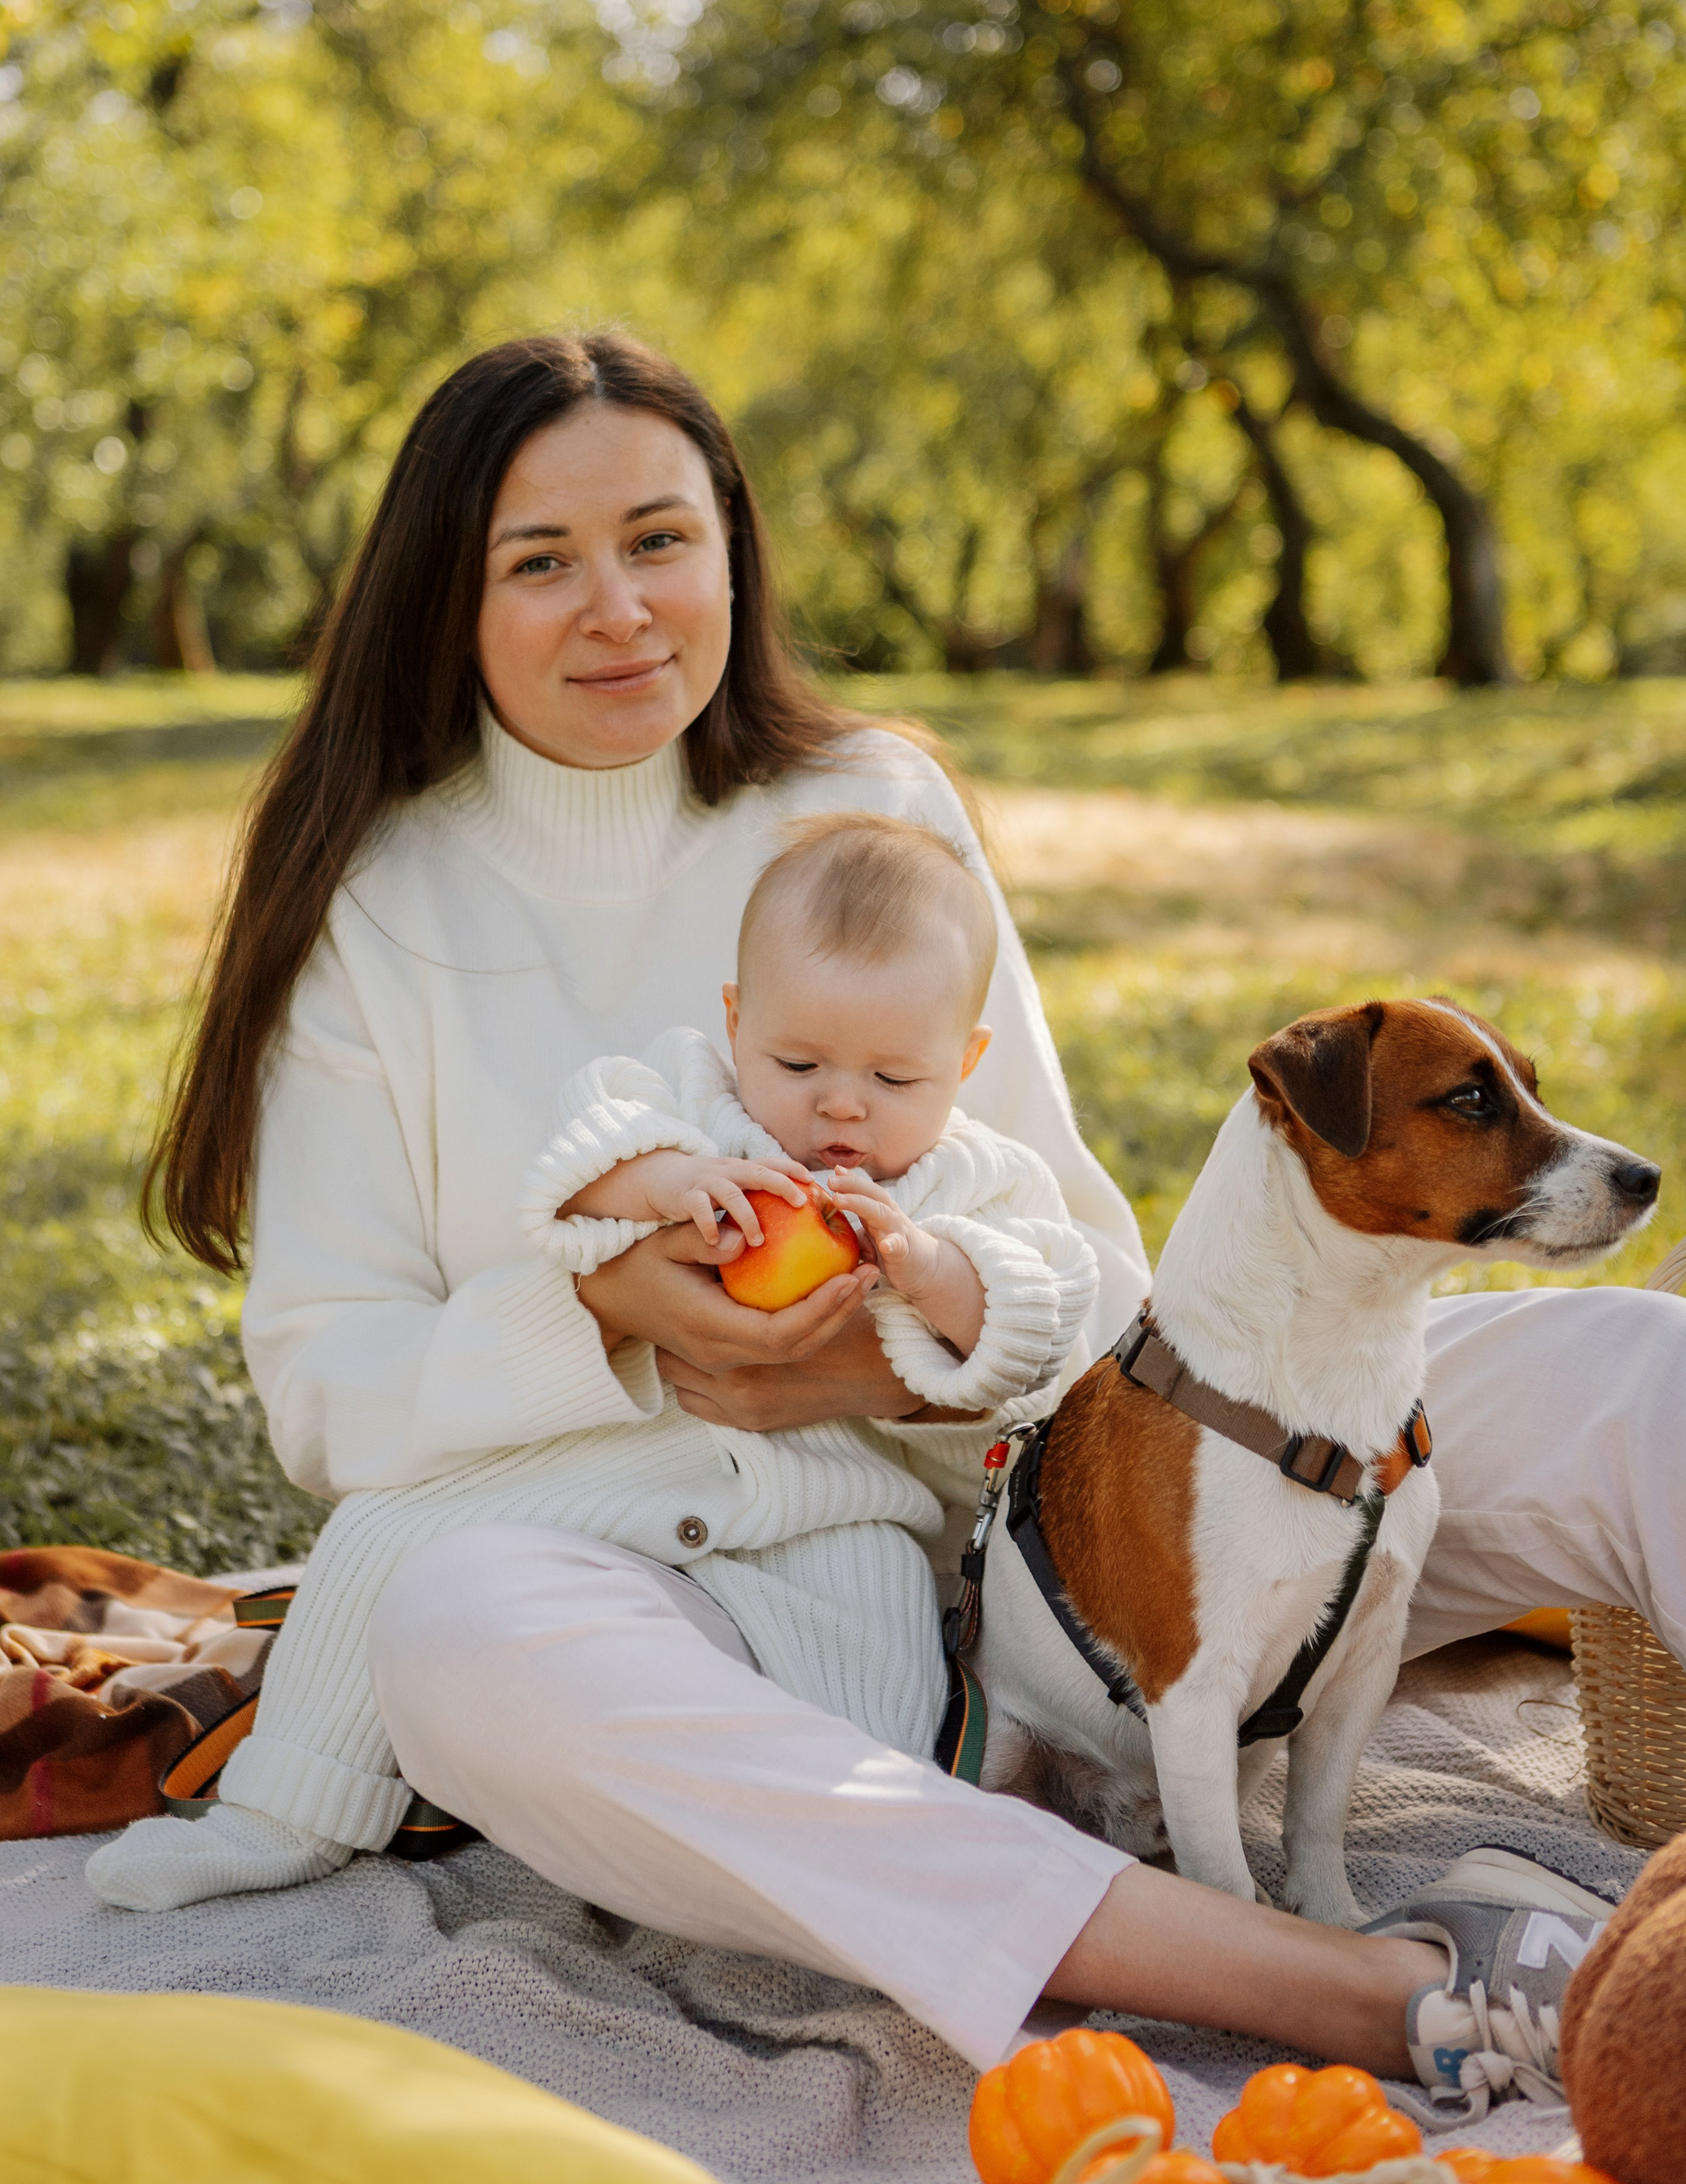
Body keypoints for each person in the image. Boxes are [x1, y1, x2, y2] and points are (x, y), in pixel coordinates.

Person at [84, 334, 1679, 2094]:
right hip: (690, 1633)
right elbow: (330, 1393)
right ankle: (1324, 1986)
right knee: (450, 1637)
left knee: (1630, 1360)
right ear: (444, 598)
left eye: (660, 539)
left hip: (1073, 1564)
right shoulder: (380, 909)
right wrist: (615, 1317)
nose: (617, 606)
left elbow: (1100, 1280)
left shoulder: (871, 807)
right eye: (540, 561)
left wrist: (908, 1360)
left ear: (733, 553)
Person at [92, 810, 1099, 1894]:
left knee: (875, 1672)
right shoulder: (692, 1100)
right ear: (734, 1017)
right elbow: (578, 1160)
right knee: (381, 1531)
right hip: (623, 1459)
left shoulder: (977, 1184)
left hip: (835, 1508)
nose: (840, 1104)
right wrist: (666, 1183)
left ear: (966, 1059)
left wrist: (934, 1269)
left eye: (897, 1080)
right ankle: (283, 1809)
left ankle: (885, 1854)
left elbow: (1046, 1311)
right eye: (797, 1058)